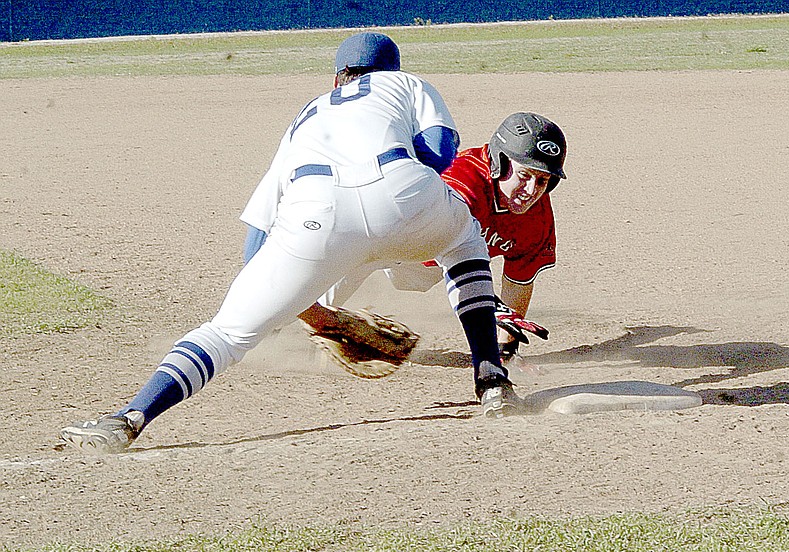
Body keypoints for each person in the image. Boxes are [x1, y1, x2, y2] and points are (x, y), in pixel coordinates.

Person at [60, 32, 521, 455]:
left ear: (338, 77)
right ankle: (491, 378)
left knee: (226, 333)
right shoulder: (406, 85)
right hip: (401, 191)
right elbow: (441, 150)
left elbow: (257, 238)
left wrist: (307, 309)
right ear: (393, 70)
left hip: (314, 216)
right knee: (463, 241)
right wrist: (398, 205)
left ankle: (127, 420)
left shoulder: (307, 115)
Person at [251, 112, 568, 362]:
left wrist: (505, 352)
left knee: (410, 274)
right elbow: (447, 248)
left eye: (543, 181)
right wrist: (489, 303)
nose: (532, 191)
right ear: (499, 163)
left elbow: (519, 280)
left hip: (426, 267)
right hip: (387, 235)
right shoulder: (465, 181)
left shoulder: (537, 218)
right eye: (524, 175)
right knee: (337, 279)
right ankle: (268, 329)